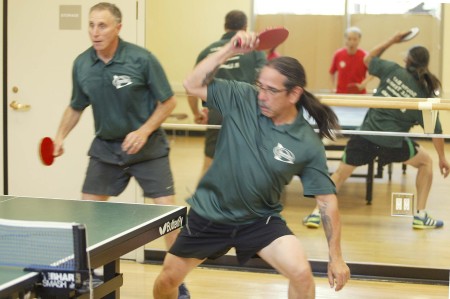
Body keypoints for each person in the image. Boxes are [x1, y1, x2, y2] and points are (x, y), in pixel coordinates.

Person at [153, 31, 350, 299]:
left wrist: (336, 257)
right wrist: (228, 51)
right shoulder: (242, 98)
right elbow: (192, 84)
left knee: (302, 275)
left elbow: (326, 201)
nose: (262, 95)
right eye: (260, 86)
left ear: (294, 94)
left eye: (271, 90)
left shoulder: (306, 142)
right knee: (167, 280)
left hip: (259, 220)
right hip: (211, 212)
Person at [52, 3, 189, 298]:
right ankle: (84, 276)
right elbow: (77, 105)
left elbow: (168, 102)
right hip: (105, 148)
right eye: (90, 25)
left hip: (148, 148)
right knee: (87, 213)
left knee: (171, 217)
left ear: (118, 28)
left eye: (102, 25)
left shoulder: (141, 59)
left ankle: (178, 282)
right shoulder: (82, 64)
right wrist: (59, 136)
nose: (94, 32)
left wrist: (144, 130)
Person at [303, 30, 450, 230]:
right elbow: (436, 130)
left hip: (365, 137)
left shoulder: (392, 70)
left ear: (407, 59)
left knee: (338, 176)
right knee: (426, 162)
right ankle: (420, 215)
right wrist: (442, 157)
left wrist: (392, 39)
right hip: (392, 143)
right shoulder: (424, 91)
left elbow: (368, 59)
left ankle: (315, 215)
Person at [188, 10, 266, 176]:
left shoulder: (208, 52)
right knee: (247, 164)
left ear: (225, 26)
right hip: (246, 112)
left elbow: (192, 87)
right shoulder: (255, 51)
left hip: (216, 112)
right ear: (245, 27)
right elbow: (263, 83)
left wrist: (196, 113)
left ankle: (201, 202)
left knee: (210, 162)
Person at [329, 26, 373, 94]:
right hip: (341, 94)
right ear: (345, 39)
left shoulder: (365, 56)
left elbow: (373, 72)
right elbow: (332, 72)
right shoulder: (338, 54)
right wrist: (332, 87)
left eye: (355, 39)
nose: (352, 42)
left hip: (359, 94)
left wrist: (364, 84)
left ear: (359, 40)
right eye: (349, 39)